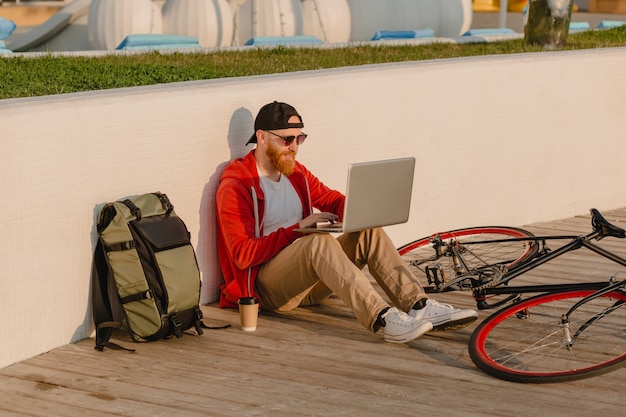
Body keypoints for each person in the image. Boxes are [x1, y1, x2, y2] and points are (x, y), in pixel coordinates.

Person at [216, 101, 477, 344]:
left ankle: (418, 305)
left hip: (310, 283)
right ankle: (383, 318)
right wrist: (298, 230)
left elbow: (330, 199)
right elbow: (242, 254)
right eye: (287, 139)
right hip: (269, 290)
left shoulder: (296, 173)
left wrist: (361, 208)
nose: (294, 147)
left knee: (368, 230)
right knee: (317, 242)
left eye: (300, 138)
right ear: (261, 137)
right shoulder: (237, 184)